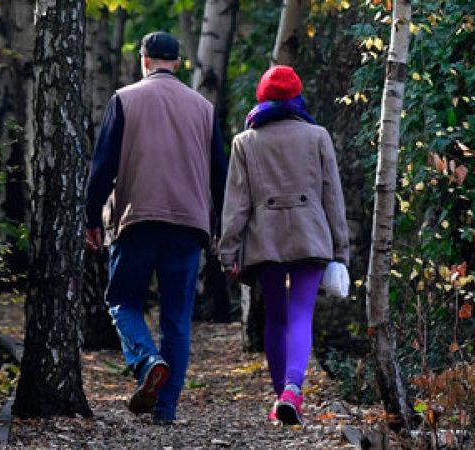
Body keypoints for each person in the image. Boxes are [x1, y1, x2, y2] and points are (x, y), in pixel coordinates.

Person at [84, 31, 227, 423]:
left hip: (137, 219)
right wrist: (221, 228)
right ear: (178, 63)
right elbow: (220, 175)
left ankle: (147, 361)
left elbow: (103, 167)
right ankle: (166, 409)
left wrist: (90, 217)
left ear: (144, 59)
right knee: (177, 320)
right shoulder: (203, 108)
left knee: (123, 301)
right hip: (189, 225)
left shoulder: (124, 100)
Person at [218, 65, 349, 426]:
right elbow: (332, 196)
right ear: (296, 96)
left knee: (275, 317)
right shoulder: (318, 135)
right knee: (301, 313)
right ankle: (293, 389)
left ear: (262, 97)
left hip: (266, 239)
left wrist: (227, 249)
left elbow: (237, 204)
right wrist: (341, 250)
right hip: (311, 234)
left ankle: (282, 398)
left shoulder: (245, 141)